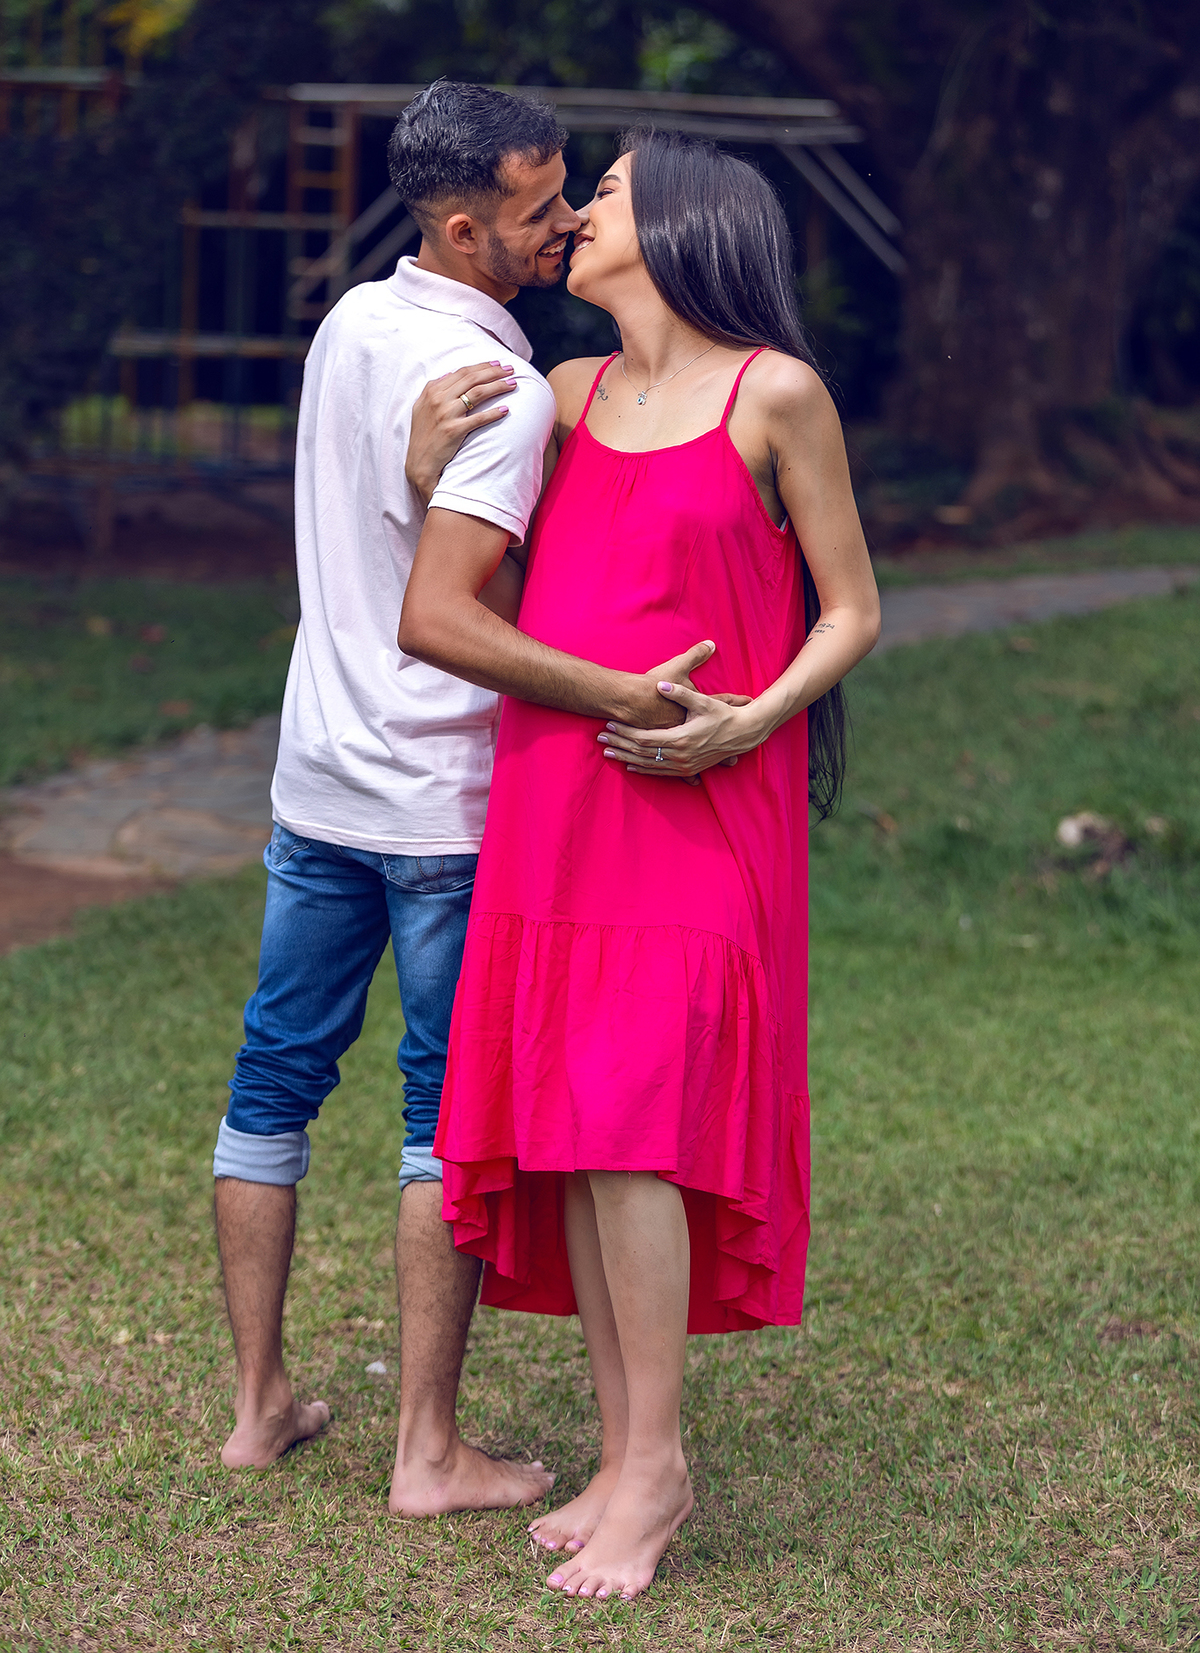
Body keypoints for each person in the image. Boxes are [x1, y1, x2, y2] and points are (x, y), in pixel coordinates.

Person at [210, 81, 709, 1516]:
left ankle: (259, 1408)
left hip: (318, 780)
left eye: (570, 195)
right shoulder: (500, 389)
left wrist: (420, 475)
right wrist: (616, 692)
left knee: (272, 1083)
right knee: (441, 1122)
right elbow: (447, 613)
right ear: (461, 226)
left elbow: (381, 528)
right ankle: (426, 1453)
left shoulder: (351, 326)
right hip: (439, 802)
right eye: (540, 210)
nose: (565, 227)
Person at [399, 129, 881, 1595]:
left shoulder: (777, 394)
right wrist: (421, 467)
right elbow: (482, 578)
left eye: (599, 196)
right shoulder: (561, 393)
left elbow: (852, 609)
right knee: (577, 1126)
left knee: (630, 1120)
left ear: (677, 226)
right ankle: (621, 1454)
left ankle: (659, 1466)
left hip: (703, 796)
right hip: (558, 791)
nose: (571, 219)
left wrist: (754, 719)